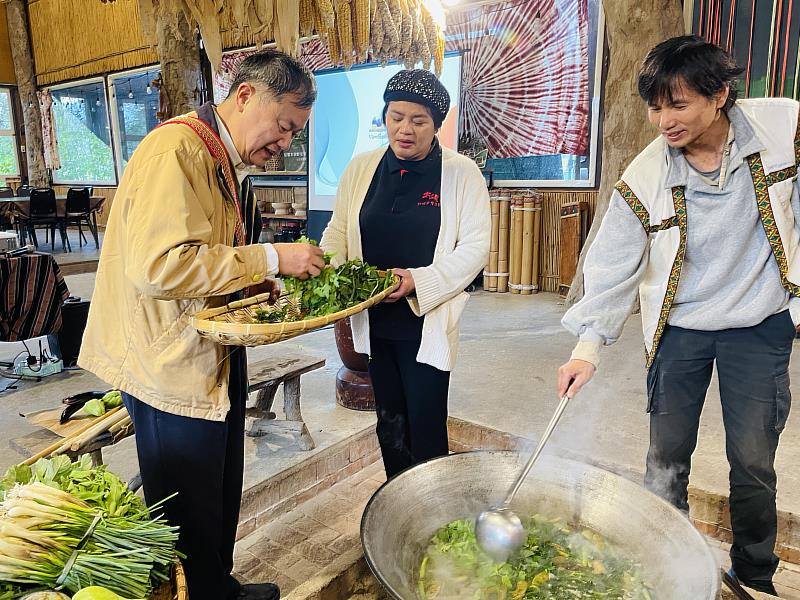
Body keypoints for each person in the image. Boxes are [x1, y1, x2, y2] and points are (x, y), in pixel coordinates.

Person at [78, 50, 325, 600]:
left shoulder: (219, 157)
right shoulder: (176, 150)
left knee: (217, 490)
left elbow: (204, 254)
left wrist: (246, 284)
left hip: (207, 346)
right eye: (284, 127)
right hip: (167, 360)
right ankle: (203, 592)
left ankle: (219, 587)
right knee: (185, 507)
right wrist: (269, 259)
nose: (285, 144)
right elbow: (160, 265)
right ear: (244, 97)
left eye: (294, 134)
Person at [559, 35, 799, 596]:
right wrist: (586, 348)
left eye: (679, 103)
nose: (664, 120)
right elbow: (613, 266)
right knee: (665, 458)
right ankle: (664, 567)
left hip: (759, 327)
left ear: (719, 96)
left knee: (754, 462)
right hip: (680, 332)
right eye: (655, 106)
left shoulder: (782, 131)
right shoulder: (644, 176)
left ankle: (754, 574)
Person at [321, 69, 490, 479]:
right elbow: (338, 231)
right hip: (375, 321)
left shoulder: (460, 172)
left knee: (426, 425)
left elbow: (474, 249)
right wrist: (326, 272)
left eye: (418, 121)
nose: (404, 129)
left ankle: (431, 514)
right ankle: (396, 502)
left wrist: (416, 281)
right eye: (396, 117)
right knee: (390, 423)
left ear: (437, 124)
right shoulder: (362, 168)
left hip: (425, 324)